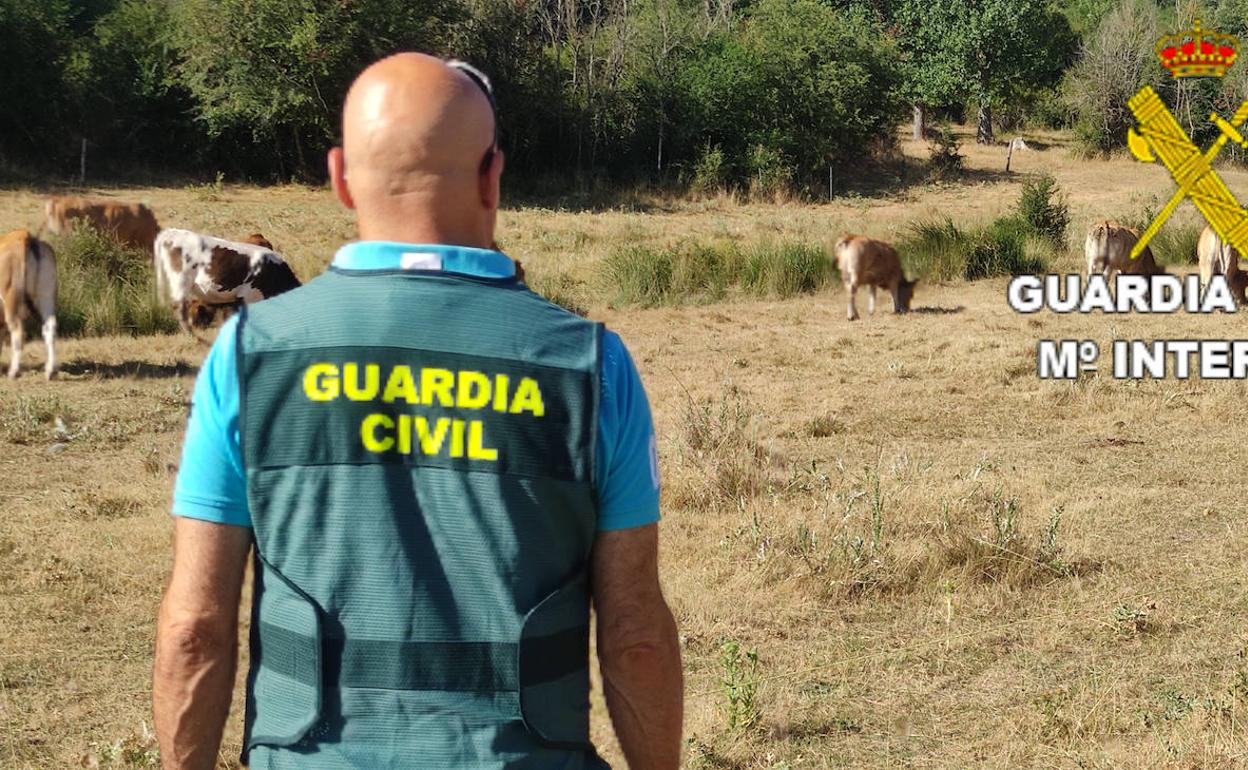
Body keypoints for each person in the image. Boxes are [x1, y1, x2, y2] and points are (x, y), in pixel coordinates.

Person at [152, 53, 683, 770]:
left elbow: (195, 630)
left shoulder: (249, 354)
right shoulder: (593, 366)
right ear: (493, 176)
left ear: (339, 177)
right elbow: (635, 636)